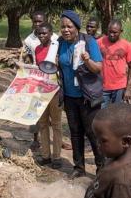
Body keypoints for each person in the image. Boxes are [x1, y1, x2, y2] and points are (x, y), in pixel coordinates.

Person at [77, 103, 131, 198]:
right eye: (96, 139)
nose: (97, 145)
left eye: (102, 141)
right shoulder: (114, 158)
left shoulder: (122, 180)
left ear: (126, 142)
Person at [58, 10, 105, 178]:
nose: (65, 30)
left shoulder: (89, 41)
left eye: (69, 26)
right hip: (70, 97)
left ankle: (101, 168)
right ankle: (79, 168)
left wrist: (87, 60)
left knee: (93, 133)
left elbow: (98, 68)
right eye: (63, 27)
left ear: (76, 27)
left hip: (87, 97)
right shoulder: (60, 43)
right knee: (75, 132)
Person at [23, 11, 59, 150]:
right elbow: (28, 58)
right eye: (35, 22)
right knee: (36, 112)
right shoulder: (29, 40)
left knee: (54, 117)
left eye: (40, 21)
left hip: (53, 81)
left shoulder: (56, 39)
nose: (38, 24)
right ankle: (36, 138)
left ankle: (55, 143)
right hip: (37, 80)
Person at [34, 23, 63, 169]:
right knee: (43, 125)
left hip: (56, 91)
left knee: (56, 125)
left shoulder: (57, 47)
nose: (41, 36)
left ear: (51, 34)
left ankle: (57, 157)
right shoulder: (37, 49)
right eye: (39, 34)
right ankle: (46, 156)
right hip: (41, 91)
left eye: (44, 33)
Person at [97, 19, 131, 109]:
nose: (111, 34)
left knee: (117, 113)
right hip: (103, 86)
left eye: (115, 32)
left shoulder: (127, 45)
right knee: (102, 114)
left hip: (120, 86)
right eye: (109, 31)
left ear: (121, 32)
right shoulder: (99, 42)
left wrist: (128, 88)